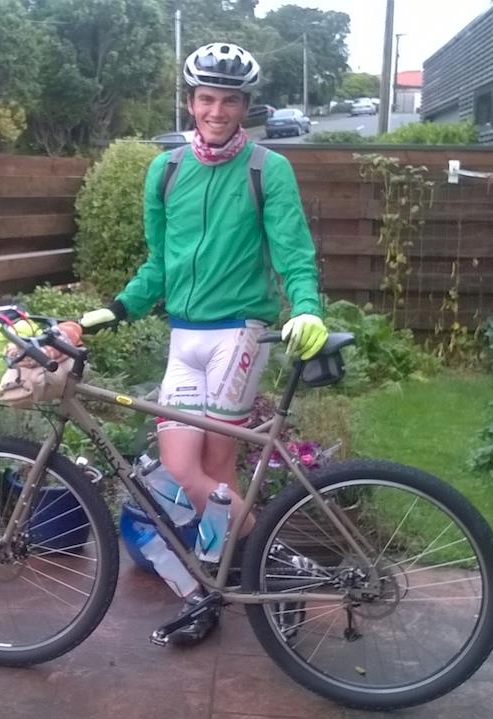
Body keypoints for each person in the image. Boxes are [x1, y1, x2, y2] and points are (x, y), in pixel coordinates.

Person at [80, 42, 327, 646]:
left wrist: (308, 308)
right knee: (180, 469)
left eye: (230, 101)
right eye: (207, 99)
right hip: (184, 337)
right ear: (191, 103)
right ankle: (274, 567)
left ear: (246, 106)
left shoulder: (267, 169)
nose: (217, 111)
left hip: (240, 332)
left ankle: (227, 588)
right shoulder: (165, 171)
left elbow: (294, 253)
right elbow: (159, 266)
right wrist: (114, 309)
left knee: (214, 471)